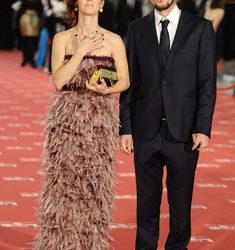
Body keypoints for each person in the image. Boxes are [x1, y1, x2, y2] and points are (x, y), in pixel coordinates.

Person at [119, 0, 216, 249]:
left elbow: (207, 83)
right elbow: (129, 83)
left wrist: (203, 127)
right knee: (146, 204)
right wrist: (126, 128)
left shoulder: (201, 28)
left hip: (184, 132)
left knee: (181, 205)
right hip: (145, 131)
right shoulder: (136, 29)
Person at [34, 0, 130, 249]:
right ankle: (58, 243)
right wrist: (81, 50)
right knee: (63, 183)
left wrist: (106, 87)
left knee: (94, 183)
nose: (90, 0)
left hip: (100, 120)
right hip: (66, 121)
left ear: (102, 4)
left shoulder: (114, 40)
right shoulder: (63, 38)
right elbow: (59, 81)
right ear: (75, 3)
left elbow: (125, 80)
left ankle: (90, 243)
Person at [18, 0, 43, 67]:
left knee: (33, 39)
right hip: (25, 19)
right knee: (25, 39)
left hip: (35, 20)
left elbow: (41, 10)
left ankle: (31, 58)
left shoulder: (38, 1)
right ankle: (25, 58)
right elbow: (20, 9)